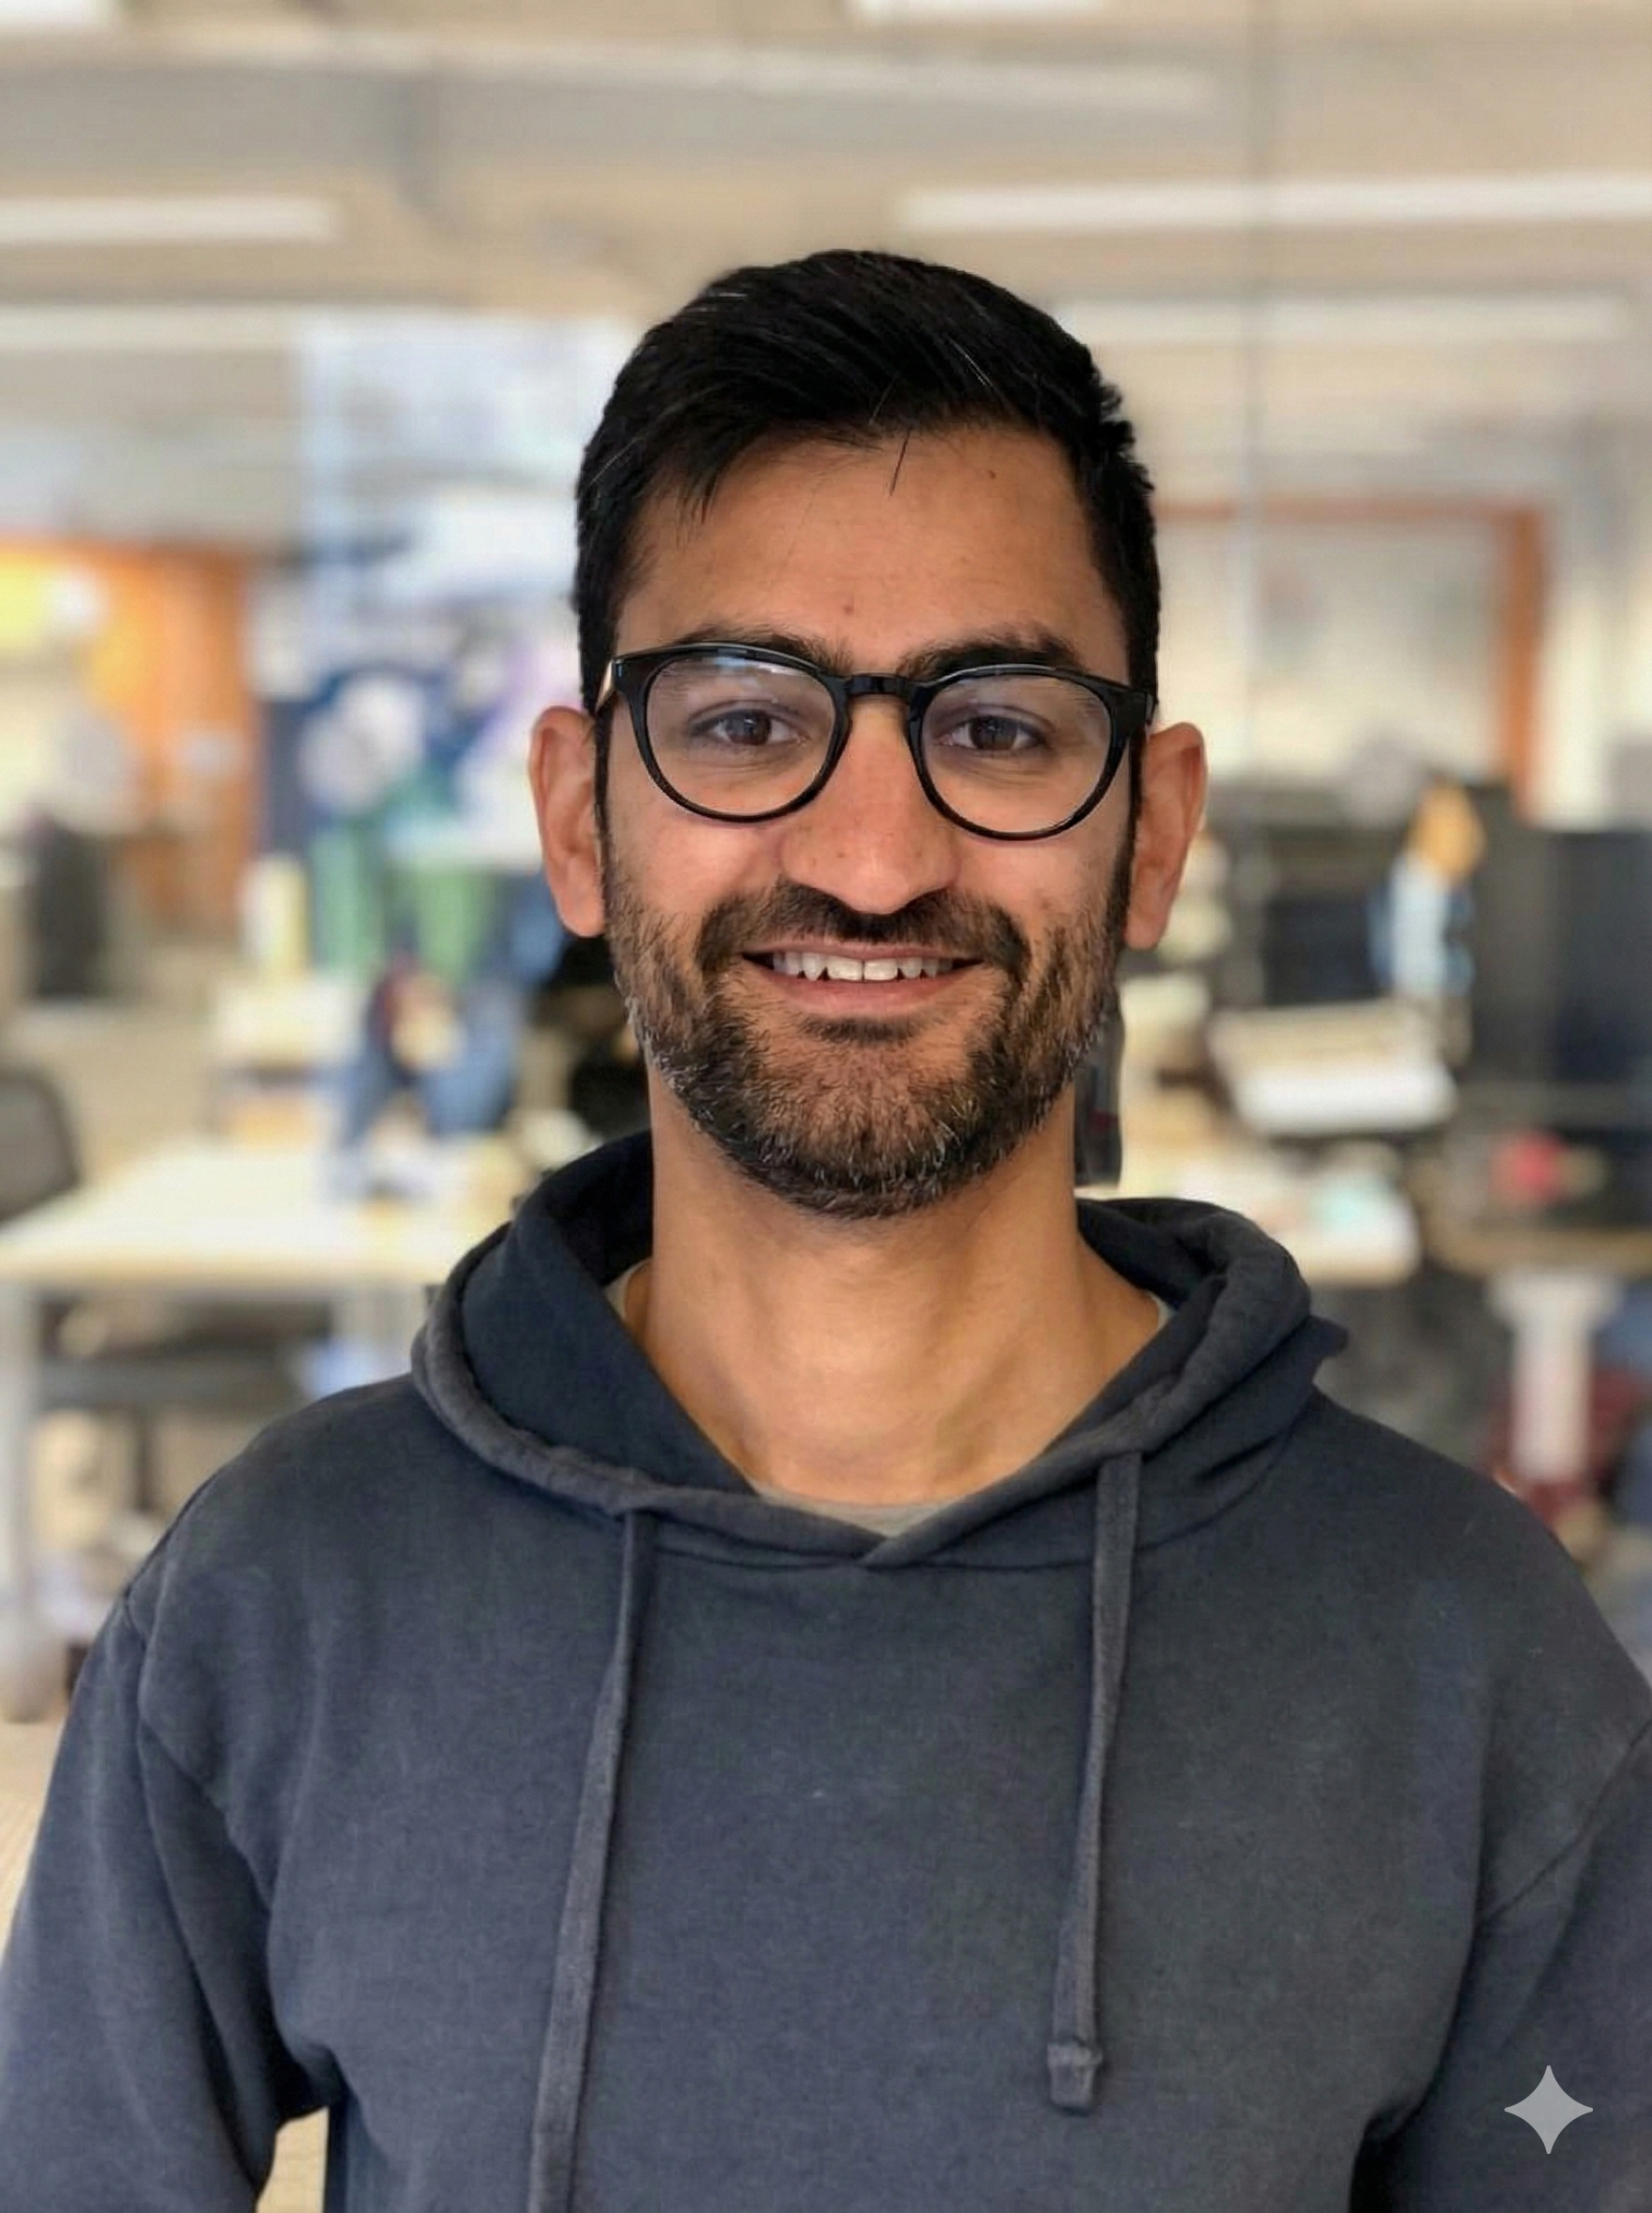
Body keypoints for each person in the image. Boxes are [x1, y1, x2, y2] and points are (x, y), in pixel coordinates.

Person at [2, 251, 1649, 2213]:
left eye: (1001, 728)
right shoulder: (288, 1599)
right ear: (577, 816)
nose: (870, 861)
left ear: (1152, 831)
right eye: (740, 718)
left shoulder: (1462, 1655)